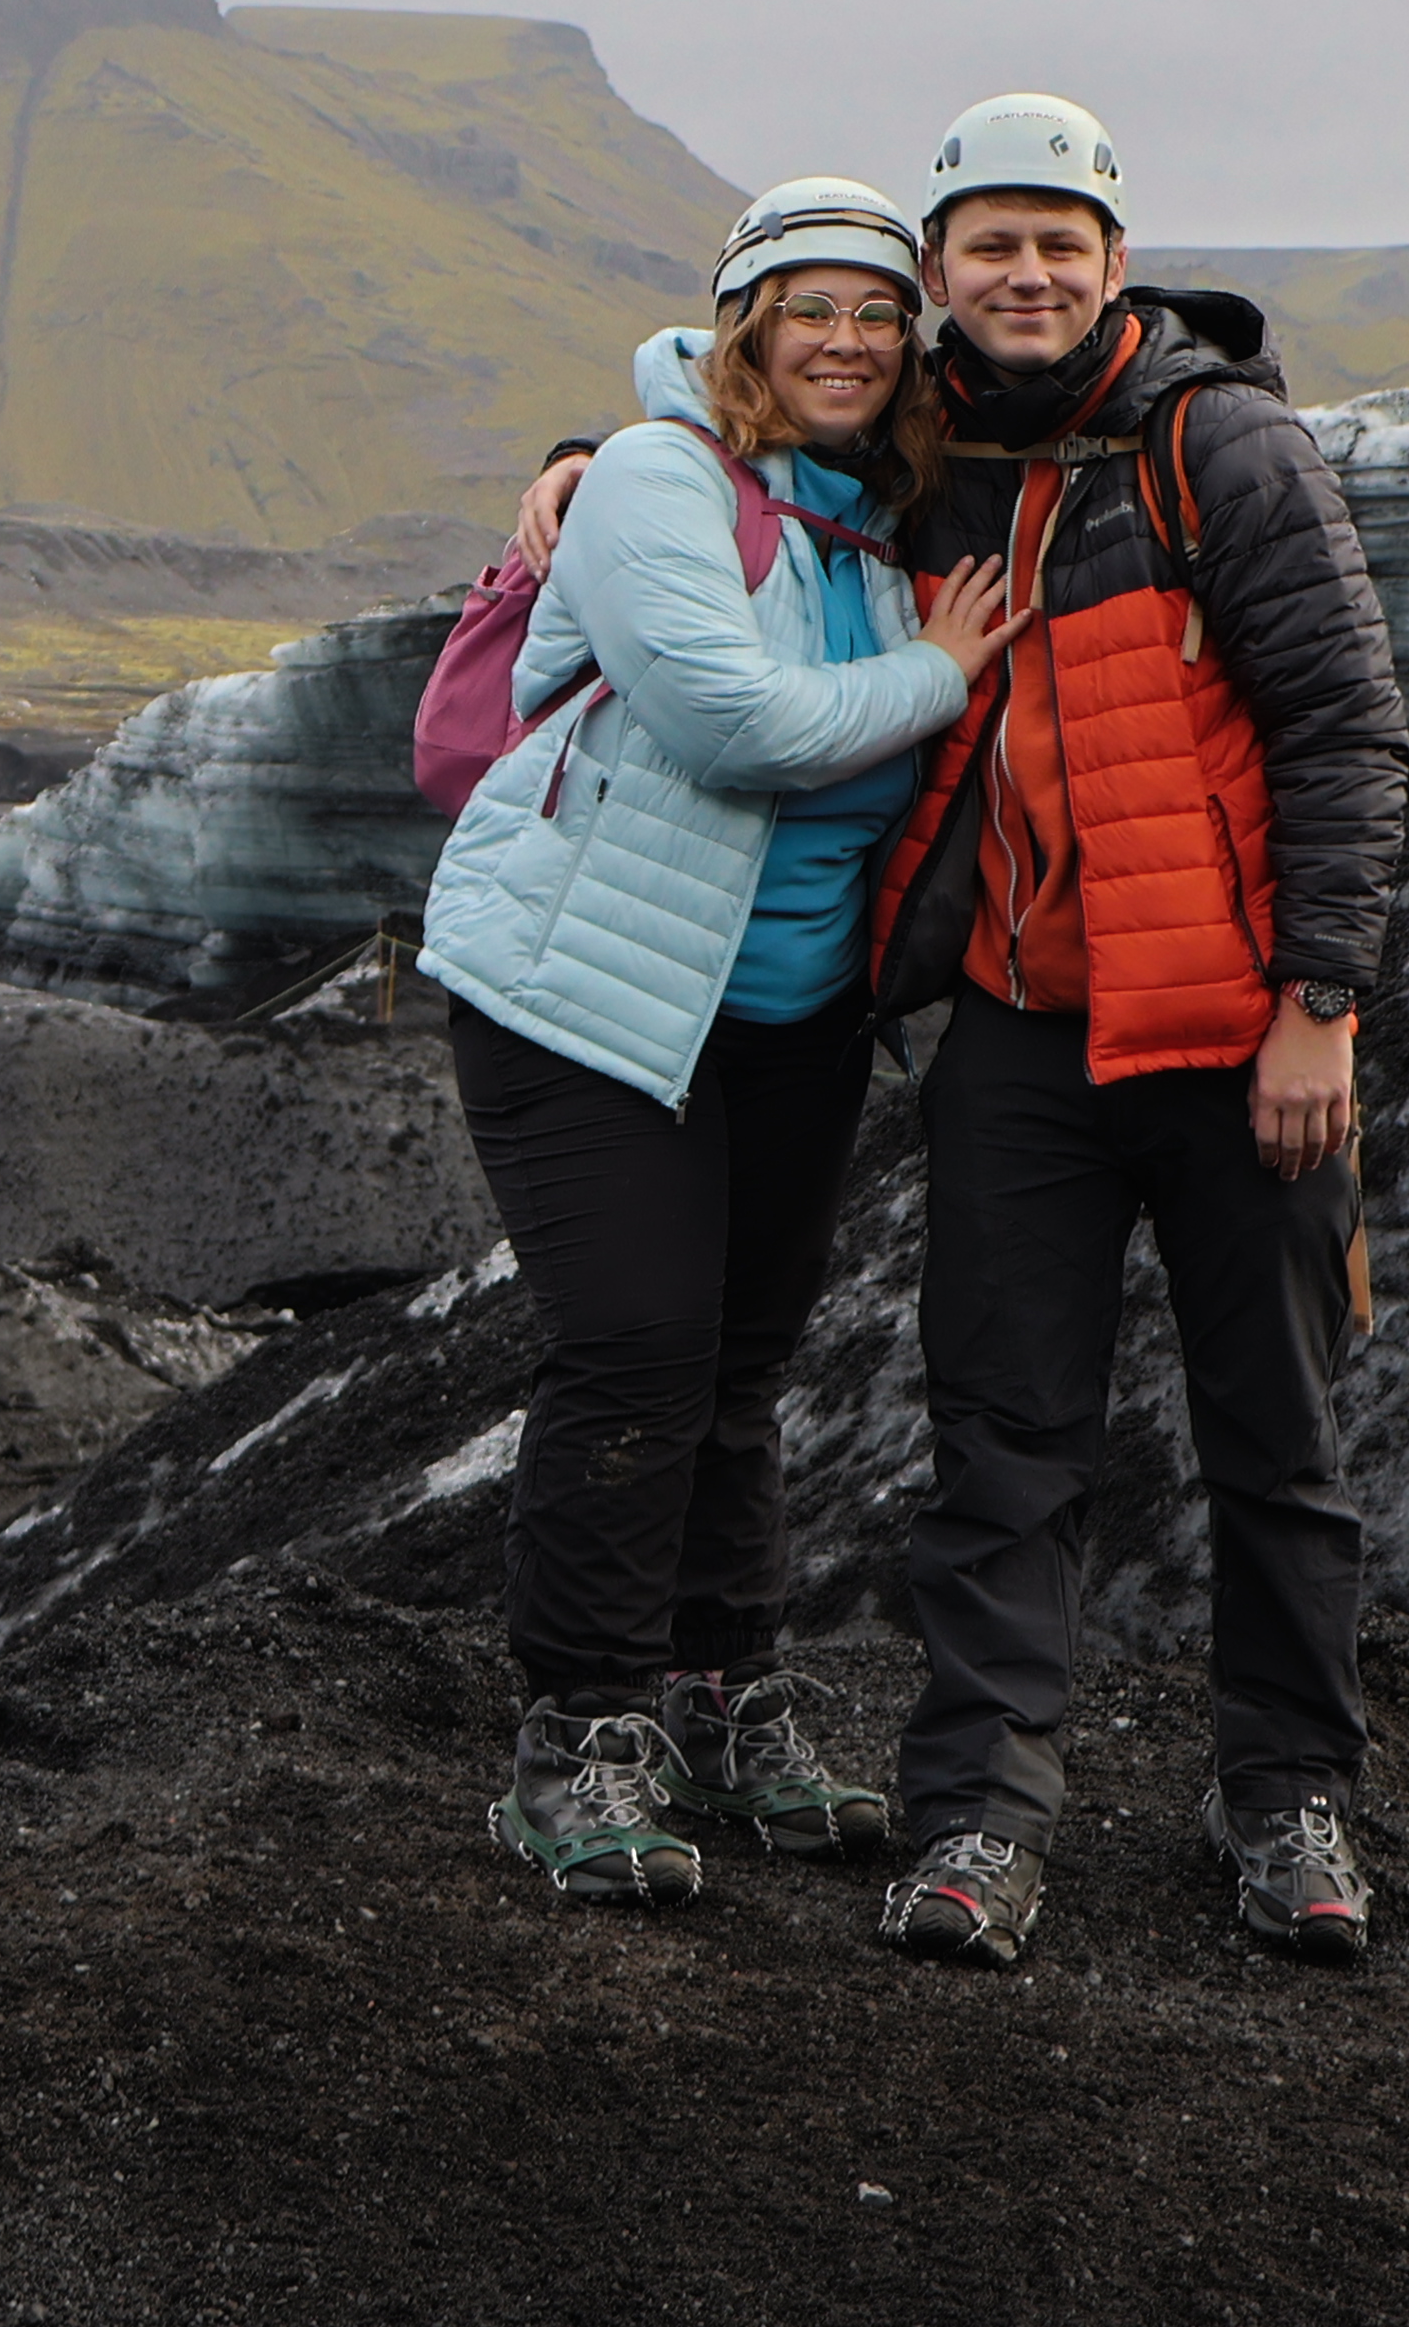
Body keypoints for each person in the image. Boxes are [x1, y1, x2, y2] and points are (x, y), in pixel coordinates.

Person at [421, 178, 1037, 1903]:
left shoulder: (886, 504)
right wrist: (929, 672)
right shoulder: (652, 477)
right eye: (806, 307)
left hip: (791, 1016)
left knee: (738, 1372)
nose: (842, 341)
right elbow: (729, 719)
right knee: (633, 1352)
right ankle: (581, 1736)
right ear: (744, 320)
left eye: (873, 312)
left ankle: (717, 1698)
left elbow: (1074, 349)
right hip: (586, 1002)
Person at [854, 92, 1409, 1971]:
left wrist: (1321, 1010)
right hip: (1017, 1038)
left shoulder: (1216, 449)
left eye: (1057, 243)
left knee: (1279, 1434)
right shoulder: (918, 450)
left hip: (1243, 1032)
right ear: (937, 272)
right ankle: (979, 1823)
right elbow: (742, 405)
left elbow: (1345, 727)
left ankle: (1291, 1803)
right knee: (1004, 1440)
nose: (1024, 274)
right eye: (987, 243)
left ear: (1114, 263)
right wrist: (583, 456)